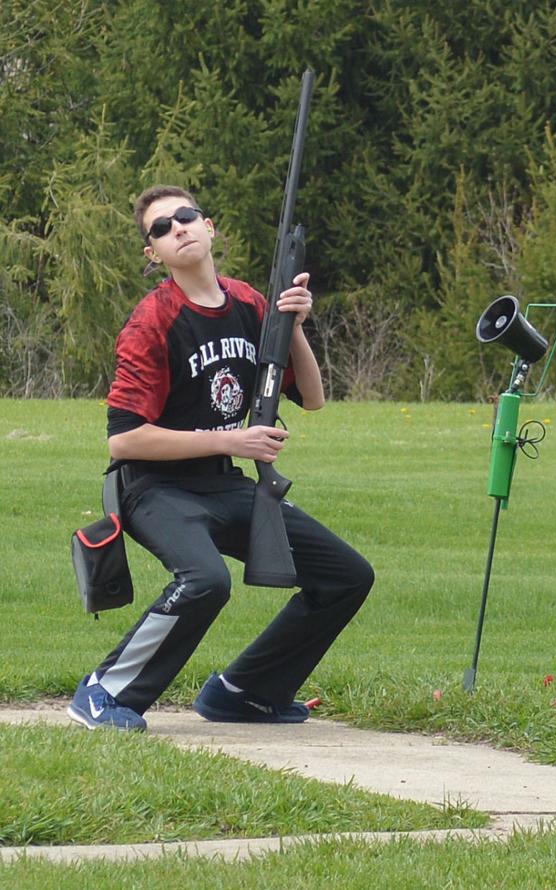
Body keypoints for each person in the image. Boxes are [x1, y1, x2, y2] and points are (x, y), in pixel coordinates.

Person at [67, 185, 374, 731]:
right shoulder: (151, 322)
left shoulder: (250, 302)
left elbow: (314, 397)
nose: (176, 229)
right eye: (160, 228)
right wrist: (232, 441)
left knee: (346, 575)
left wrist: (292, 326)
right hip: (154, 489)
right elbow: (125, 440)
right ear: (152, 254)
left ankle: (245, 692)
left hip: (223, 484)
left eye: (185, 217)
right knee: (206, 580)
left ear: (209, 227)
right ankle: (103, 691)